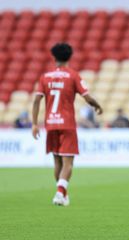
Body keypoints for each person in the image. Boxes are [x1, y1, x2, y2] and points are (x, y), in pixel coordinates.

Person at [32, 43, 103, 206]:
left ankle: (63, 194)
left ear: (54, 57)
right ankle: (59, 192)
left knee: (57, 161)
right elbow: (87, 97)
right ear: (69, 57)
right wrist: (97, 106)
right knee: (68, 163)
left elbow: (37, 100)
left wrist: (35, 124)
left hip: (50, 123)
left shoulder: (45, 77)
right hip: (67, 123)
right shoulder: (73, 75)